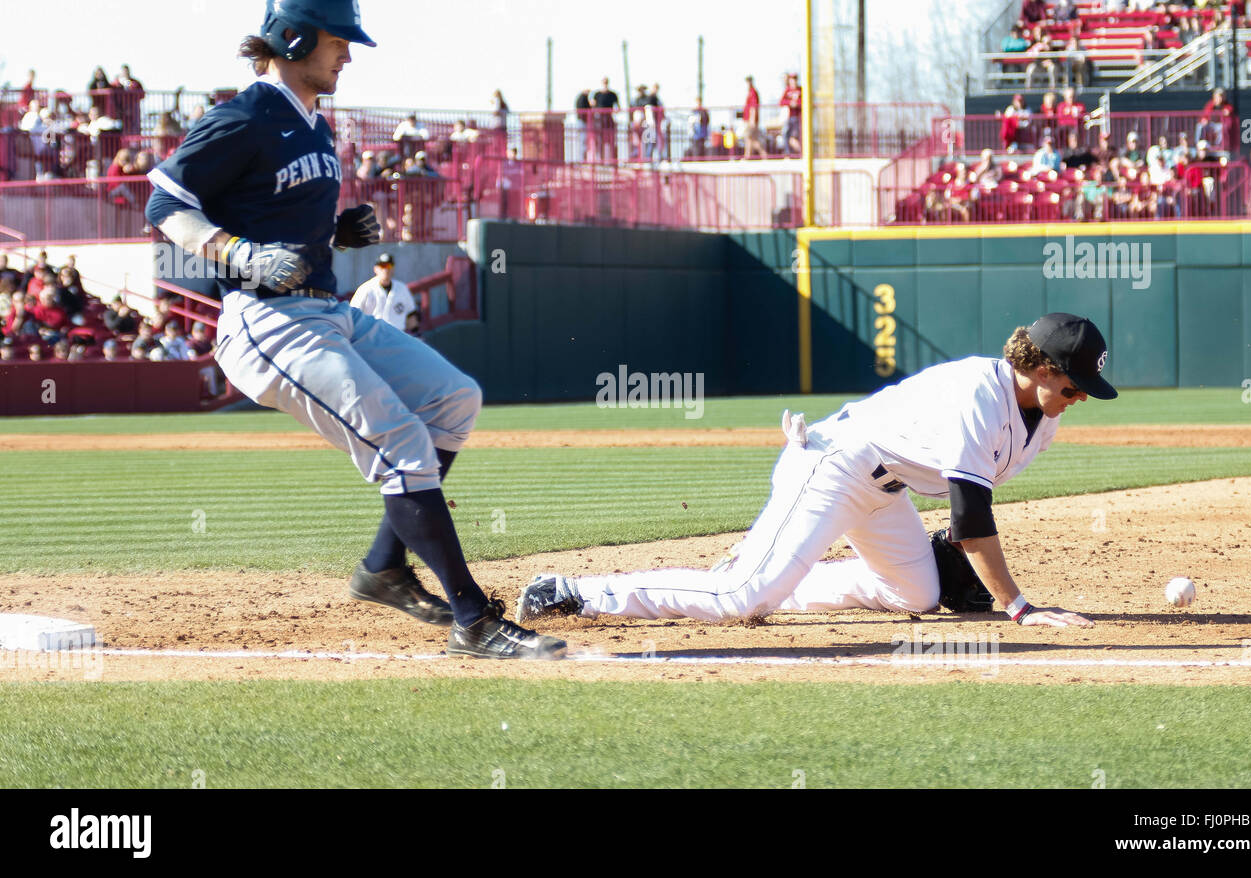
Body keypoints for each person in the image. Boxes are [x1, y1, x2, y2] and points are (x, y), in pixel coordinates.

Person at [143, 0, 564, 660]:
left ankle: (382, 568)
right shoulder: (245, 115)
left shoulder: (312, 124)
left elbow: (271, 208)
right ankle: (473, 619)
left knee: (455, 399)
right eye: (339, 40)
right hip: (266, 322)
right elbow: (165, 199)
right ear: (295, 37)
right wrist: (238, 254)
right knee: (400, 444)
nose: (348, 53)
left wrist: (330, 234)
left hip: (328, 312)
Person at [520, 314, 1115, 628]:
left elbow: (965, 505)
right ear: (1037, 365)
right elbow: (969, 509)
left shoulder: (1044, 411)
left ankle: (777, 569)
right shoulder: (978, 396)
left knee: (916, 593)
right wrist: (1019, 606)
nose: (1081, 394)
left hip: (886, 488)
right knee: (742, 599)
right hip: (836, 464)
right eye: (1074, 382)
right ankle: (576, 592)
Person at [350, 251, 417, 332]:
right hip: (372, 336)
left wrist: (415, 333)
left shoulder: (402, 288)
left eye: (389, 266)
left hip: (397, 335)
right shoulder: (365, 289)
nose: (386, 269)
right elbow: (353, 314)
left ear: (393, 268)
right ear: (375, 269)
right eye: (382, 266)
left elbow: (411, 315)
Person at [779, 72, 802, 155]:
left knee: (793, 138)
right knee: (786, 135)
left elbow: (804, 102)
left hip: (798, 117)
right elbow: (781, 102)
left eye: (795, 79)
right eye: (792, 80)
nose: (793, 81)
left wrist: (797, 104)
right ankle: (788, 154)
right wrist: (789, 103)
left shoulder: (800, 90)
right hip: (789, 117)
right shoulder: (787, 90)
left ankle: (803, 153)